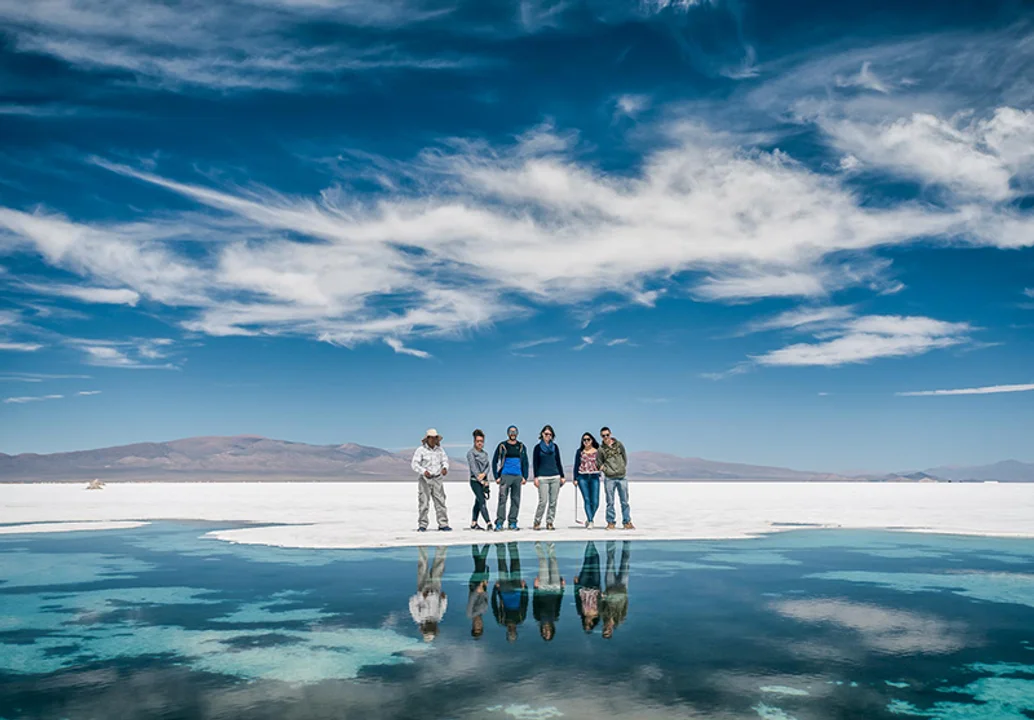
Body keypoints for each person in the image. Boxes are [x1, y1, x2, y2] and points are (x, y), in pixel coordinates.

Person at [411, 428, 451, 532]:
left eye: (435, 438)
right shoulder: (421, 450)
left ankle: (443, 524)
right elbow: (414, 464)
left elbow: (445, 460)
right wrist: (423, 471)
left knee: (440, 501)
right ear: (427, 439)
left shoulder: (440, 450)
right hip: (425, 479)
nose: (434, 440)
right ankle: (422, 525)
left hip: (437, 478)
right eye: (432, 438)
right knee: (424, 502)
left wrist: (445, 468)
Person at [493, 425, 529, 531]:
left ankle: (512, 522)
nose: (513, 434)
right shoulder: (502, 446)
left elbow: (525, 462)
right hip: (505, 475)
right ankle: (499, 522)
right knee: (502, 499)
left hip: (517, 476)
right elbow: (495, 460)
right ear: (508, 433)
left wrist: (525, 476)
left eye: (514, 432)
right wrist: (496, 476)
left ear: (517, 433)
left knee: (516, 500)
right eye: (511, 432)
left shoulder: (521, 446)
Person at [409, 545, 448, 642]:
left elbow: (412, 603)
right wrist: (444, 598)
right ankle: (442, 547)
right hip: (435, 590)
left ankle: (423, 547)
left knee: (423, 567)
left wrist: (422, 596)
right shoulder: (438, 618)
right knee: (439, 567)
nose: (430, 629)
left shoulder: (418, 618)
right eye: (432, 630)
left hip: (423, 589)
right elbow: (443, 607)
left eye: (428, 630)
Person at [491, 541, 528, 642]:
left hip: (504, 589)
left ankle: (500, 547)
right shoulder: (520, 619)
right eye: (513, 633)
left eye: (510, 633)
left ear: (507, 632)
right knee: (515, 564)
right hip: (517, 589)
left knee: (502, 565)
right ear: (516, 631)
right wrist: (525, 588)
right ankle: (513, 546)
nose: (511, 630)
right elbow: (525, 603)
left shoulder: (501, 620)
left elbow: (494, 604)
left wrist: (495, 588)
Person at [599, 426, 633, 530]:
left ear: (611, 434)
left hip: (622, 477)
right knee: (610, 502)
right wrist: (606, 470)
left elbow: (624, 457)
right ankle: (611, 522)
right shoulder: (601, 449)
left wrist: (621, 467)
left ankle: (627, 522)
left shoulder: (619, 445)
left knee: (624, 501)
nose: (606, 437)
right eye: (603, 436)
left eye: (607, 435)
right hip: (609, 478)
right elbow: (599, 462)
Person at [532, 424, 565, 531]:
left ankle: (549, 522)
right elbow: (535, 463)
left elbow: (558, 461)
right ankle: (537, 522)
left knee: (553, 501)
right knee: (543, 501)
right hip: (542, 477)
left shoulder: (555, 447)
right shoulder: (537, 448)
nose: (548, 436)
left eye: (550, 434)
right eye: (546, 434)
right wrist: (535, 477)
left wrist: (562, 476)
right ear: (542, 434)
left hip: (555, 476)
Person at [532, 541, 564, 641]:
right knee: (553, 561)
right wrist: (562, 588)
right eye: (548, 632)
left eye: (544, 633)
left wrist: (535, 588)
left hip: (542, 589)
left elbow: (535, 602)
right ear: (552, 630)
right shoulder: (555, 617)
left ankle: (537, 545)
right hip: (555, 589)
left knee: (543, 563)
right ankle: (550, 544)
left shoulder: (538, 618)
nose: (546, 631)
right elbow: (559, 602)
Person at [601, 540, 630, 639]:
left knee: (610, 561)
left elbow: (601, 602)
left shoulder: (603, 616)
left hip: (610, 586)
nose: (606, 629)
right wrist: (626, 594)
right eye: (608, 631)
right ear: (611, 630)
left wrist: (603, 596)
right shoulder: (620, 619)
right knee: (625, 562)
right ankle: (627, 542)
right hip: (622, 587)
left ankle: (610, 541)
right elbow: (626, 605)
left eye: (604, 630)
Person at [573, 432, 602, 529]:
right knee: (587, 499)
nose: (586, 441)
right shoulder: (580, 451)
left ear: (592, 440)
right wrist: (575, 478)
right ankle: (590, 521)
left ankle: (590, 517)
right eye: (584, 440)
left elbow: (602, 462)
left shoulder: (598, 451)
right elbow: (576, 465)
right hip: (582, 477)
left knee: (595, 501)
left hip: (594, 477)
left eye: (588, 439)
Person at [466, 429, 492, 530]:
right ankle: (489, 523)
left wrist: (484, 475)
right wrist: (479, 477)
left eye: (481, 441)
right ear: (474, 441)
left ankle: (474, 523)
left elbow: (488, 466)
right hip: (475, 481)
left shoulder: (485, 454)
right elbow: (473, 467)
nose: (480, 443)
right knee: (482, 500)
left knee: (478, 501)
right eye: (478, 441)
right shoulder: (471, 453)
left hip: (484, 481)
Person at [574, 541, 601, 634]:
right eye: (589, 625)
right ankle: (592, 546)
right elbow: (602, 601)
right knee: (596, 563)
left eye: (586, 625)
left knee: (586, 564)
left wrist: (576, 585)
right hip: (595, 587)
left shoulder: (581, 613)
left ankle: (590, 544)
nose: (588, 623)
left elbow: (577, 599)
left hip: (583, 586)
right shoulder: (599, 613)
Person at [467, 543, 491, 639]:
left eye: (476, 626)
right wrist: (484, 587)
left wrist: (478, 590)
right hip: (483, 585)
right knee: (479, 563)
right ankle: (475, 544)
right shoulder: (484, 610)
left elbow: (471, 600)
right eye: (480, 626)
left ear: (473, 625)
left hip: (474, 585)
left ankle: (487, 544)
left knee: (480, 564)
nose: (478, 624)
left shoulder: (470, 614)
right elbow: (486, 597)